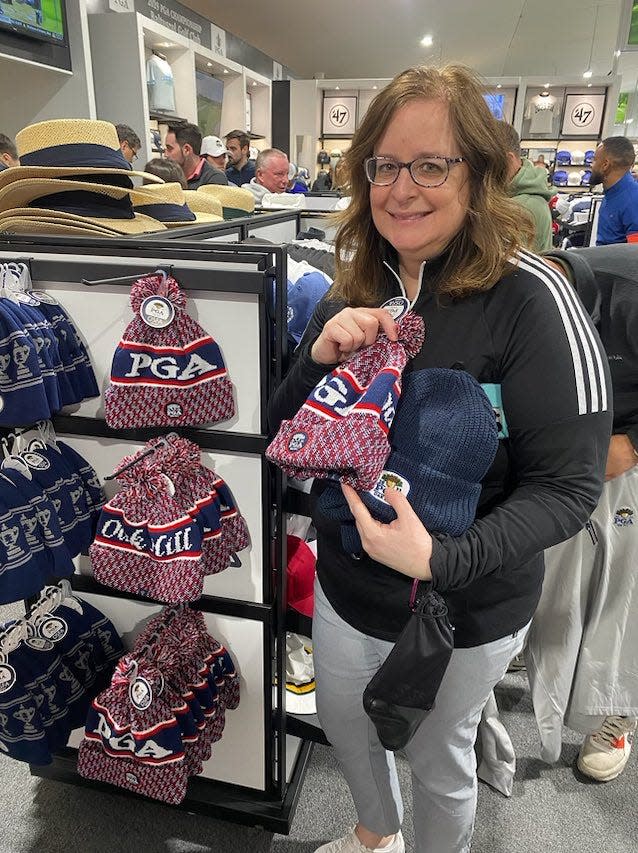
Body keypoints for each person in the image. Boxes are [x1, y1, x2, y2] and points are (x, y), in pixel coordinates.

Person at [268, 64, 611, 853]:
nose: (402, 188)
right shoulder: (352, 286)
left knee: (434, 757)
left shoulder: (531, 300)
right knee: (350, 732)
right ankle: (373, 839)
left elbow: (569, 486)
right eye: (384, 165)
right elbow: (286, 435)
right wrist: (317, 356)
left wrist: (443, 557)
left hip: (464, 607)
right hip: (346, 585)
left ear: (480, 173)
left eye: (431, 164)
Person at [523, 245, 638, 782]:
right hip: (556, 448)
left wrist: (633, 444)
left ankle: (614, 711)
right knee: (536, 571)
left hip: (622, 452)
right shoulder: (515, 302)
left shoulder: (628, 298)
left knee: (621, 589)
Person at [499, 121, 553, 252]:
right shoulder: (523, 195)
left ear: (507, 161)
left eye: (485, 162)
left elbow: (504, 267)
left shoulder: (522, 208)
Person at [589, 136, 638, 245]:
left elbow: (635, 256)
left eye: (595, 160)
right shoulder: (611, 194)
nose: (591, 165)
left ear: (605, 165)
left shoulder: (633, 200)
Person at [164, 123, 228, 189]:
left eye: (170, 148)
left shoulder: (214, 179)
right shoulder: (169, 177)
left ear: (187, 150)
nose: (165, 154)